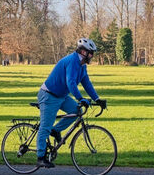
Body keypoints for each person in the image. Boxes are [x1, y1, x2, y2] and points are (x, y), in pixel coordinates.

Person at [36, 37, 106, 167]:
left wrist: (97, 99)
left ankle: (56, 130)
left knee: (76, 111)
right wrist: (80, 98)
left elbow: (86, 83)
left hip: (61, 95)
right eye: (91, 53)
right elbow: (71, 82)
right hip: (49, 96)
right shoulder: (73, 61)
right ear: (84, 52)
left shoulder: (81, 65)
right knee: (45, 127)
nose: (92, 56)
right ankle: (40, 157)